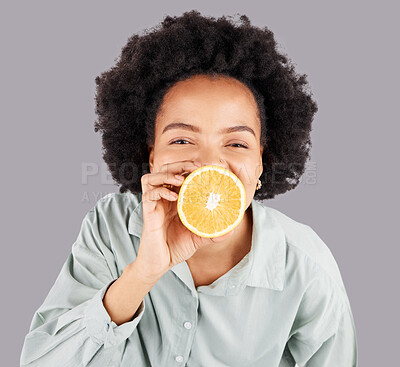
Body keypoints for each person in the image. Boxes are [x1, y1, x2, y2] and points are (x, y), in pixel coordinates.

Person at [20, 10, 358, 367]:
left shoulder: (306, 265)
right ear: (151, 157)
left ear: (261, 161)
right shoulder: (109, 227)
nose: (210, 163)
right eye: (182, 140)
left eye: (237, 144)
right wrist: (143, 272)